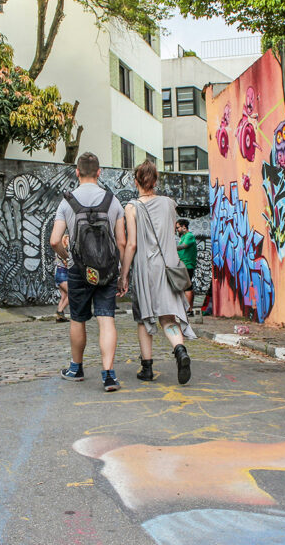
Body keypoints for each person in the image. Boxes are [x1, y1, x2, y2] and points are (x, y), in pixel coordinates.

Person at [50, 152, 126, 392]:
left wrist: (68, 258)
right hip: (107, 270)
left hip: (78, 270)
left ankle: (76, 368)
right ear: (99, 172)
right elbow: (122, 242)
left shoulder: (67, 202)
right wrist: (123, 273)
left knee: (78, 319)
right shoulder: (112, 200)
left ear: (77, 172)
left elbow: (54, 241)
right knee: (106, 319)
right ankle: (109, 375)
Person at [119, 160, 196, 384]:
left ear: (136, 182)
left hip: (146, 268)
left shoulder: (131, 207)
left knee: (144, 318)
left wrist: (124, 274)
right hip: (169, 266)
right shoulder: (170, 203)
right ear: (156, 181)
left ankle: (147, 368)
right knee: (168, 316)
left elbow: (132, 244)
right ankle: (180, 350)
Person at [175, 219, 197, 315]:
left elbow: (184, 246)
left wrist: (171, 247)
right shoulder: (183, 236)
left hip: (187, 265)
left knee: (188, 287)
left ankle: (189, 310)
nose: (177, 230)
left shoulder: (189, 236)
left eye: (178, 227)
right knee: (184, 287)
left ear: (184, 226)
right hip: (182, 264)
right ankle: (185, 309)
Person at [54, 234, 70, 322]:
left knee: (64, 296)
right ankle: (59, 311)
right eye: (67, 240)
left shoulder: (62, 250)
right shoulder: (63, 251)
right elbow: (67, 263)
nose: (69, 241)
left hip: (61, 273)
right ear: (63, 240)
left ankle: (59, 317)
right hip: (62, 273)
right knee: (72, 294)